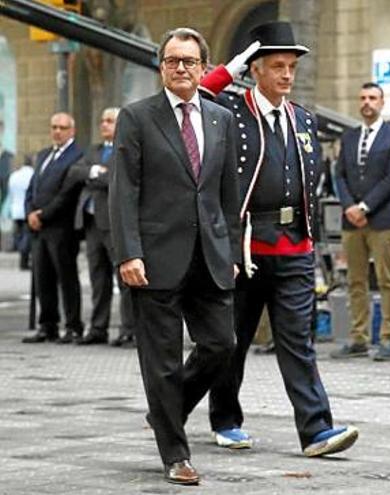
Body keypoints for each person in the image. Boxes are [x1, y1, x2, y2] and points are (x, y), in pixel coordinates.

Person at [200, 22, 359, 456]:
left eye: (291, 66)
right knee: (231, 342)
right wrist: (227, 71)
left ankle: (316, 430)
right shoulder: (230, 113)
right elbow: (191, 102)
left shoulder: (303, 119)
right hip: (244, 250)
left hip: (294, 248)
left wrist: (312, 242)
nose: (287, 75)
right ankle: (225, 419)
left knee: (298, 344)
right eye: (277, 66)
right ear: (255, 70)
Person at [109, 27, 241, 485]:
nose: (180, 68)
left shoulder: (222, 119)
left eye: (189, 61)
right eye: (172, 61)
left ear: (204, 67)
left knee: (222, 345)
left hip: (211, 255)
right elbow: (123, 190)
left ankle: (166, 410)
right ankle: (176, 455)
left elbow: (228, 194)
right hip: (154, 259)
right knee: (161, 361)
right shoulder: (137, 117)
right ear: (161, 67)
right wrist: (128, 252)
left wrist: (233, 250)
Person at [331, 82, 390, 361]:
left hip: (383, 219)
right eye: (362, 97)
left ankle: (388, 338)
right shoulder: (349, 137)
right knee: (355, 281)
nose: (367, 102)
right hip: (352, 222)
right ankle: (359, 337)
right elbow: (339, 175)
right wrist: (349, 206)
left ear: (382, 103)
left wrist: (364, 206)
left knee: (387, 281)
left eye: (372, 98)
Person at [75, 108, 137, 347]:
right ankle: (98, 328)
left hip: (115, 224)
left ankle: (128, 330)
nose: (104, 125)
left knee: (125, 280)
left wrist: (97, 176)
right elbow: (75, 172)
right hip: (91, 224)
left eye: (109, 121)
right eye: (102, 121)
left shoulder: (127, 149)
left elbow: (117, 178)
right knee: (97, 279)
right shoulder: (94, 150)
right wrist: (94, 171)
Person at [22, 113, 84, 344]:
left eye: (62, 127)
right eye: (54, 127)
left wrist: (43, 214)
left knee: (66, 279)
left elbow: (66, 194)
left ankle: (73, 326)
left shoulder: (77, 156)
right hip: (39, 229)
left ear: (72, 131)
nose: (57, 131)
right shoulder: (44, 154)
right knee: (42, 278)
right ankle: (47, 325)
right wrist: (29, 212)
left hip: (61, 228)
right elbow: (32, 187)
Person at [7, 157, 33, 270]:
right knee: (27, 235)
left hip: (16, 209)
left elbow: (11, 192)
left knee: (18, 234)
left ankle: (20, 252)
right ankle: (24, 259)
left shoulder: (14, 175)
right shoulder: (33, 174)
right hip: (27, 209)